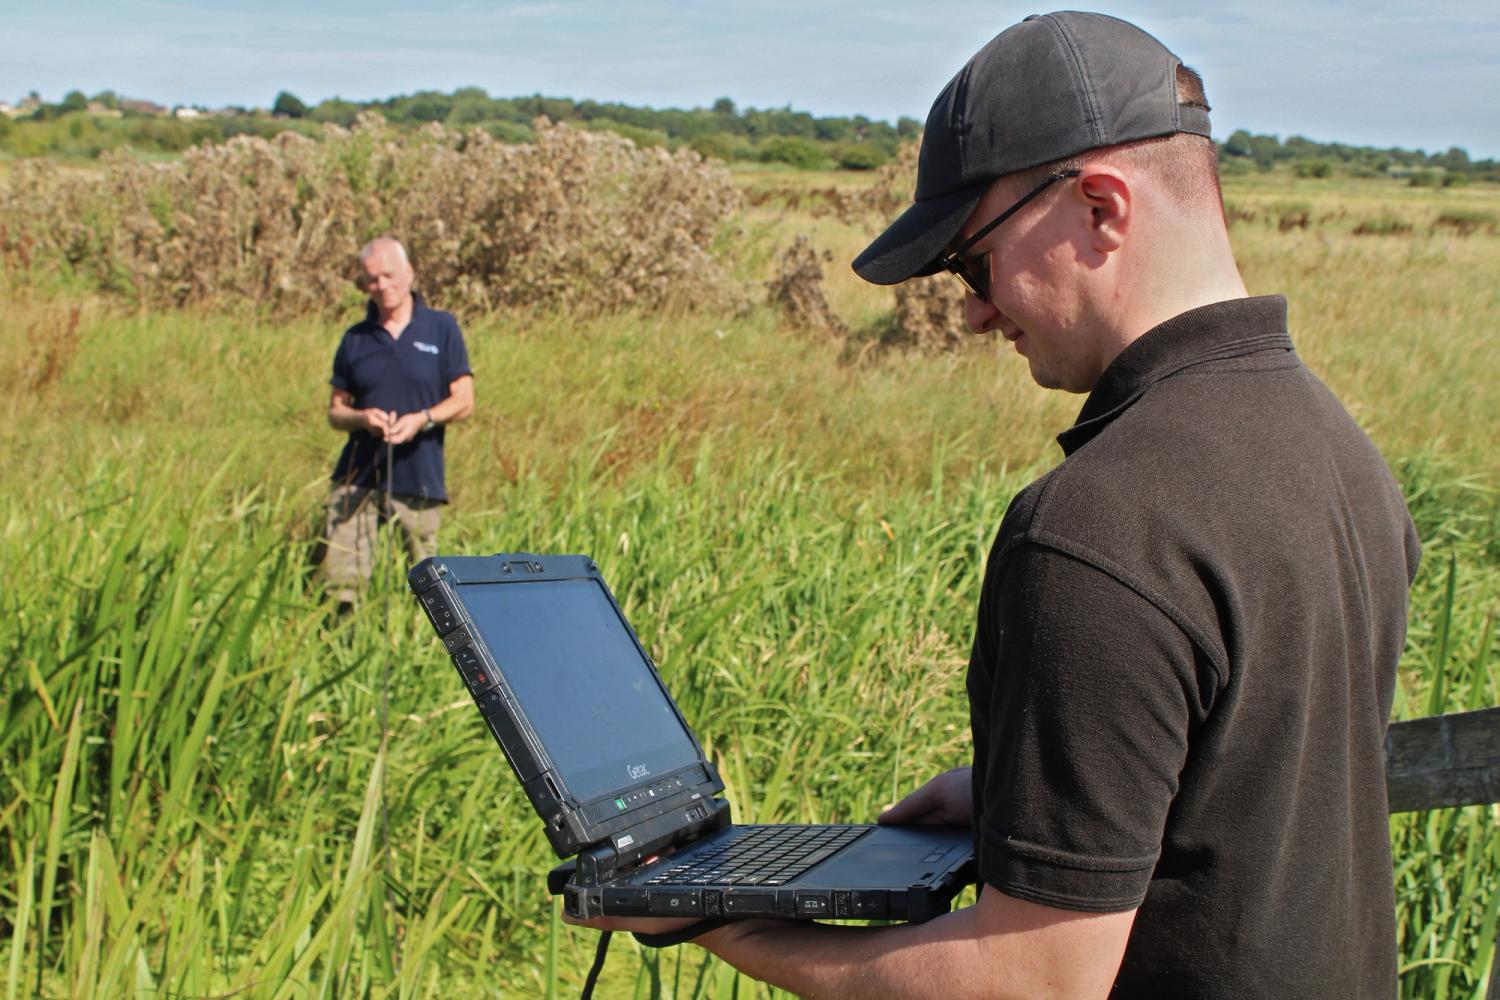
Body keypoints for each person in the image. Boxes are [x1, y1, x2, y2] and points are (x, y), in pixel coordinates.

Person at [566, 11, 1420, 997]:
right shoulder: (1333, 445)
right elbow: (1267, 771)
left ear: (1101, 207)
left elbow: (1032, 980)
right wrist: (1034, 801)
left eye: (975, 263)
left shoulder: (1102, 527)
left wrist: (711, 914)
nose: (972, 311)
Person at [319, 236, 474, 606]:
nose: (382, 286)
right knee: (341, 582)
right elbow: (335, 412)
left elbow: (464, 401)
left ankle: (424, 647)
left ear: (409, 273)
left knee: (430, 586)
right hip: (357, 478)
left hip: (418, 476)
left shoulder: (441, 328)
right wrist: (362, 418)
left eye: (389, 275)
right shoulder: (356, 339)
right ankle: (344, 642)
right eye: (372, 279)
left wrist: (422, 420)